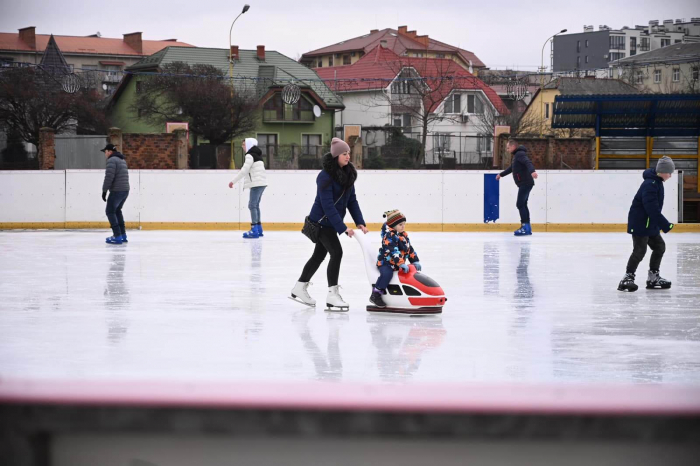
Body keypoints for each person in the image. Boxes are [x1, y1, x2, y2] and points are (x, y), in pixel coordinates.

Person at [291, 138, 368, 311]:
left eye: (348, 153)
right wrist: (342, 227)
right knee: (337, 252)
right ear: (335, 156)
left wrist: (360, 222)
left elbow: (352, 201)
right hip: (320, 223)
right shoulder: (324, 176)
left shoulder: (349, 174)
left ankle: (300, 287)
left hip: (331, 223)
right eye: (344, 153)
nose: (348, 156)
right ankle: (332, 295)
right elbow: (327, 206)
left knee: (319, 256)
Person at [618, 156, 675, 292]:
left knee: (659, 246)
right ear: (662, 171)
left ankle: (653, 277)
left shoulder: (656, 182)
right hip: (640, 223)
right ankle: (627, 278)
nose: (670, 176)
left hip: (649, 224)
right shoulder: (650, 184)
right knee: (640, 250)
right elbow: (651, 208)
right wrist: (665, 225)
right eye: (669, 172)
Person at [369, 210, 421, 308]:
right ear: (393, 225)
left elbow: (409, 248)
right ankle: (376, 294)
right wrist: (401, 263)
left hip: (397, 263)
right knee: (387, 274)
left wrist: (415, 261)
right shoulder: (389, 236)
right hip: (386, 263)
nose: (403, 226)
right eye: (400, 224)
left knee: (410, 273)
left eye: (404, 224)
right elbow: (394, 251)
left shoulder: (403, 235)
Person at [496, 139, 538, 236]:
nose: (507, 149)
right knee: (523, 204)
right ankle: (527, 227)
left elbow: (528, 162)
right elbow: (512, 168)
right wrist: (501, 175)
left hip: (525, 183)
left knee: (520, 204)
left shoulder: (519, 154)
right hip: (525, 183)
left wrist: (532, 171)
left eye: (508, 147)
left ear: (513, 146)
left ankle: (525, 227)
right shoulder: (517, 156)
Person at [229, 138, 268, 239]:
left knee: (252, 205)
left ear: (249, 145)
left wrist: (233, 181)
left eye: (244, 144)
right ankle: (259, 229)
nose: (242, 147)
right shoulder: (258, 155)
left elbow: (244, 170)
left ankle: (254, 229)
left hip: (256, 183)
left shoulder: (249, 155)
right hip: (262, 183)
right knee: (255, 205)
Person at [101, 143, 130, 245]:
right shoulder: (122, 159)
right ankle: (122, 235)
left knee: (110, 211)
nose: (105, 154)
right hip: (125, 190)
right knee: (117, 210)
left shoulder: (111, 160)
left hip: (117, 191)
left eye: (105, 152)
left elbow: (109, 177)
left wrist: (104, 191)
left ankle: (117, 236)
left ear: (110, 151)